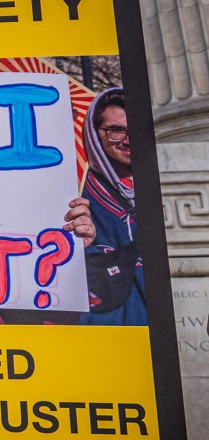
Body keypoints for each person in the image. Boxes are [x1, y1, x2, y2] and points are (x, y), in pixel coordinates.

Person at [77, 87, 147, 325]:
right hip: (106, 328)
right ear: (95, 134)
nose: (127, 141)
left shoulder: (162, 188)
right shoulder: (77, 193)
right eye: (116, 130)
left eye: (135, 131)